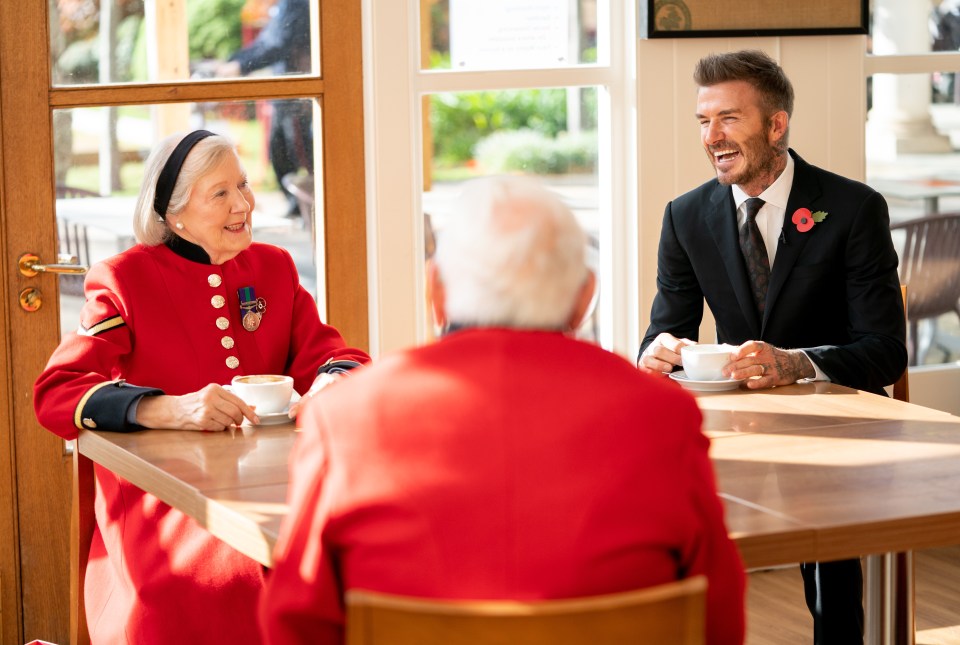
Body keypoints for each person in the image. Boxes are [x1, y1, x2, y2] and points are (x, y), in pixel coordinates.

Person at [259, 176, 746, 645]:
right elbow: (717, 616)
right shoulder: (663, 413)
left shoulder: (345, 417)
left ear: (437, 294)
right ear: (583, 299)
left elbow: (296, 620)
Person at [34, 129, 370, 644]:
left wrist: (329, 383)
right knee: (230, 576)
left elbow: (337, 355)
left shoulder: (274, 268)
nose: (243, 204)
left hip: (277, 487)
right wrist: (166, 409)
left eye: (243, 185)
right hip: (169, 504)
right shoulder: (123, 280)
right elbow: (56, 391)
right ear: (174, 214)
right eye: (220, 193)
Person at [637, 50, 907, 644]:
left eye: (728, 119)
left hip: (841, 427)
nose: (712, 137)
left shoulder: (855, 208)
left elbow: (885, 351)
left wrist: (796, 363)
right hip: (735, 425)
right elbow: (666, 330)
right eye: (704, 121)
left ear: (776, 125)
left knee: (832, 562)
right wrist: (653, 355)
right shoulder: (685, 217)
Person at [218, 0, 312, 216]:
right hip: (285, 90)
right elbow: (266, 41)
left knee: (301, 152)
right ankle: (297, 206)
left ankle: (307, 207)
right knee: (280, 150)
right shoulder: (283, 6)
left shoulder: (295, 4)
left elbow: (278, 44)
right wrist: (234, 61)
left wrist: (240, 66)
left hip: (299, 92)